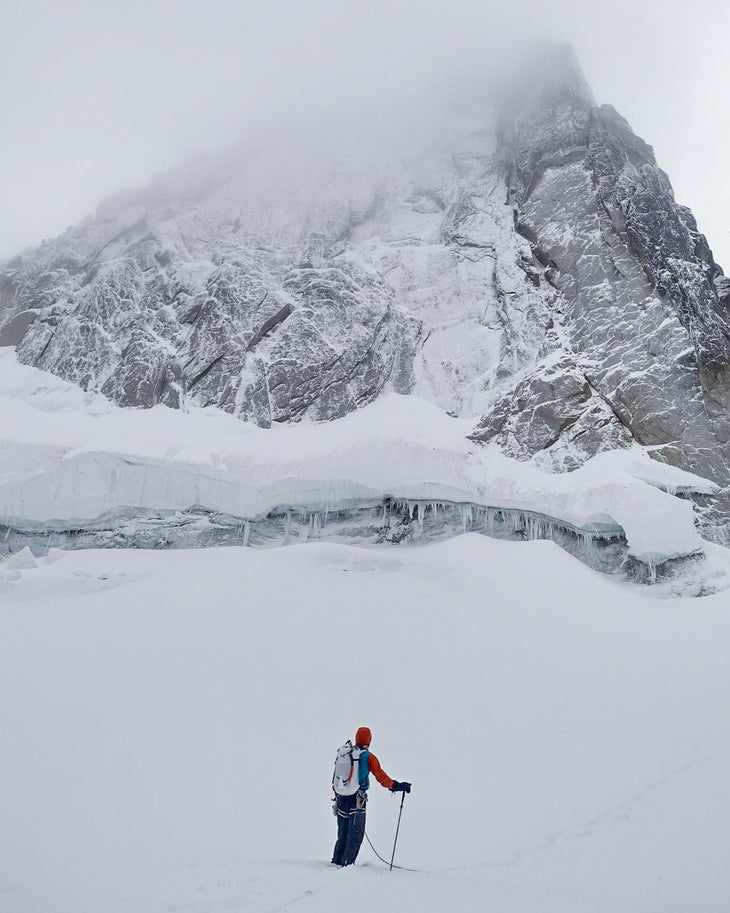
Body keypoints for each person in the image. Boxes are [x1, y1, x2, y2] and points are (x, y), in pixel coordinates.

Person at [331, 726, 411, 867]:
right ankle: (347, 865)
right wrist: (396, 786)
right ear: (369, 741)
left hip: (342, 798)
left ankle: (336, 862)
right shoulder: (368, 757)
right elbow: (381, 777)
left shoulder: (346, 754)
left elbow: (337, 778)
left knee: (342, 834)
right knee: (355, 835)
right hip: (358, 800)